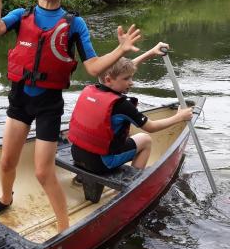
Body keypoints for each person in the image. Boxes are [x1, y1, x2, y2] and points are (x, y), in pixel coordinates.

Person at [0, 0, 143, 232]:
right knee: (7, 160)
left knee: (43, 172)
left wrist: (119, 50)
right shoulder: (22, 16)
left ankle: (63, 228)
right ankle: (6, 198)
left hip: (48, 106)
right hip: (20, 99)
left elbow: (93, 67)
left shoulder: (74, 24)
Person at [68, 42, 193, 174]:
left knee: (126, 132)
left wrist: (151, 52)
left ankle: (83, 176)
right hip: (101, 163)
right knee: (145, 140)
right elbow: (151, 127)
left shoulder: (93, 90)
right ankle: (133, 178)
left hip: (77, 155)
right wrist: (179, 117)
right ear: (109, 79)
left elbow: (122, 71)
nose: (131, 82)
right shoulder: (121, 104)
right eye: (127, 79)